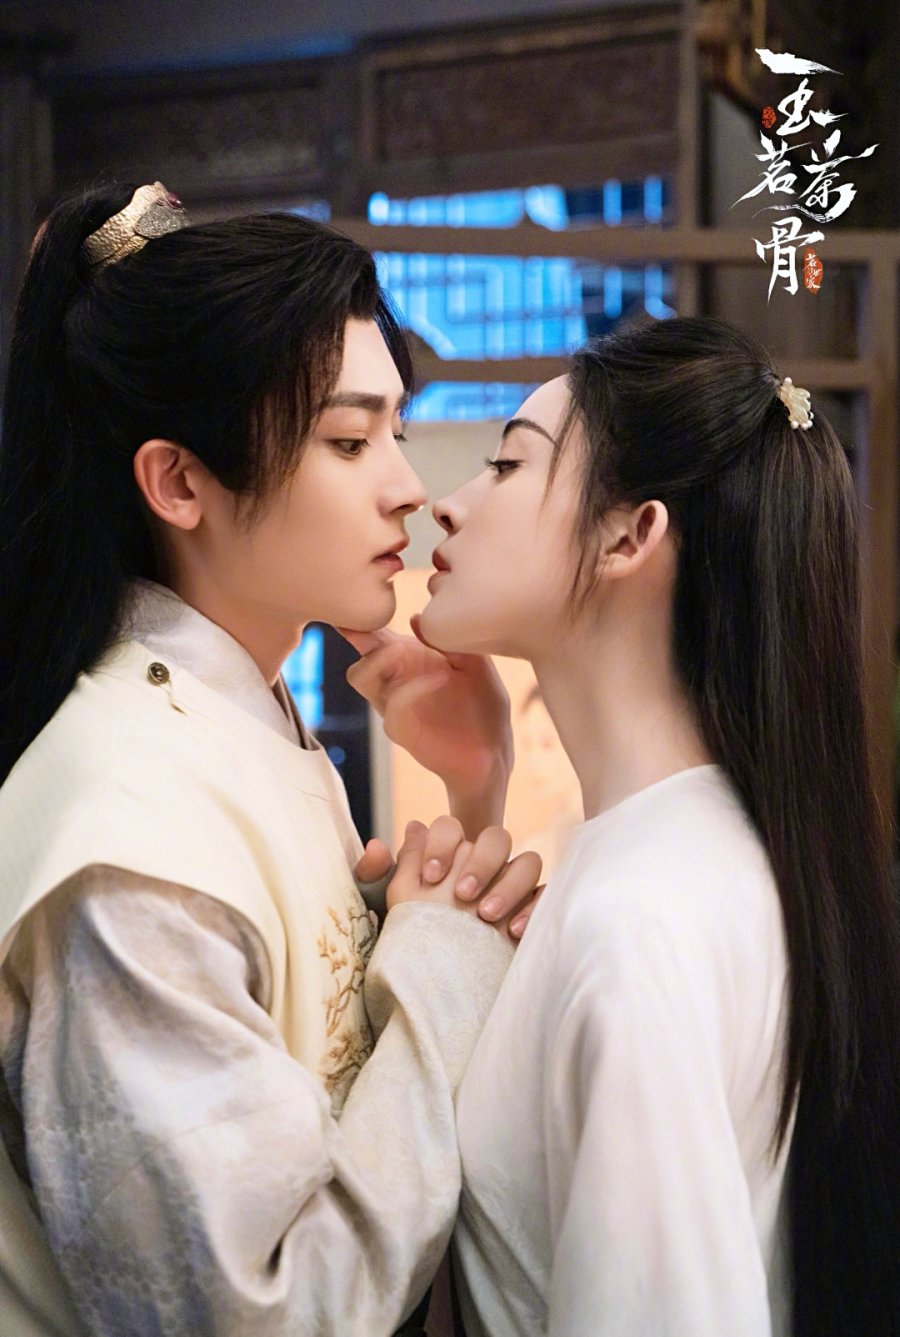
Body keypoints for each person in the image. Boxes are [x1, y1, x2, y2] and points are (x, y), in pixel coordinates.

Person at [0, 182, 541, 1337]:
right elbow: (265, 1309)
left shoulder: (241, 719)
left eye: (396, 431)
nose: (407, 485)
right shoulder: (127, 842)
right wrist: (440, 961)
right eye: (348, 440)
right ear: (178, 481)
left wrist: (471, 791)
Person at [349, 317, 900, 1336]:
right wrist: (479, 790)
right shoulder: (690, 854)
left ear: (628, 536)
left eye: (508, 464)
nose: (448, 501)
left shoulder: (641, 918)